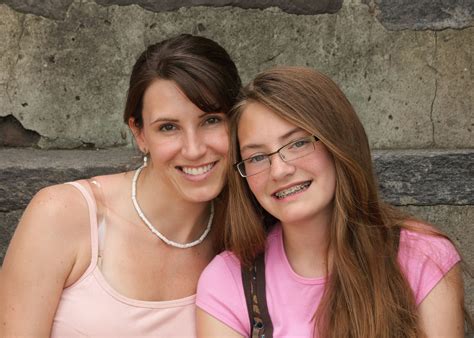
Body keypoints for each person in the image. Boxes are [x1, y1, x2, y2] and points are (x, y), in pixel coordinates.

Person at [196, 66, 471, 337]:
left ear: (337, 142)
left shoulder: (424, 257)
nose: (279, 170)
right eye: (257, 157)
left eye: (298, 143)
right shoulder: (229, 280)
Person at [0, 33, 241, 337]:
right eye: (168, 127)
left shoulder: (245, 232)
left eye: (211, 120)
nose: (193, 149)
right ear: (139, 133)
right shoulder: (62, 214)